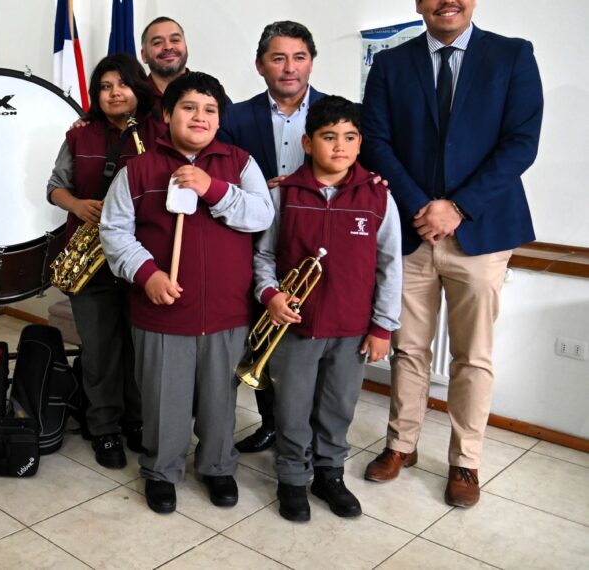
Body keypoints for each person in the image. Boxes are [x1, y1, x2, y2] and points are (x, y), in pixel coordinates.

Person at [360, 0, 543, 508]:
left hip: (482, 233)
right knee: (409, 349)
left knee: (473, 355)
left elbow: (521, 143)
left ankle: (466, 460)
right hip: (413, 231)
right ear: (419, 4)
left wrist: (458, 208)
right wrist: (423, 207)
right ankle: (401, 445)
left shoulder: (512, 55)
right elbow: (376, 142)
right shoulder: (391, 63)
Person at [100, 72, 273, 514]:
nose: (200, 116)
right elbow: (114, 232)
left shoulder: (240, 163)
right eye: (189, 107)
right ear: (166, 114)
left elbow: (261, 215)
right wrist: (147, 274)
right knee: (164, 399)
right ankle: (161, 470)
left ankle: (217, 465)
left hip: (227, 311)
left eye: (210, 109)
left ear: (220, 119)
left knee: (220, 399)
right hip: (162, 310)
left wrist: (210, 188)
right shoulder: (137, 170)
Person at [253, 96, 402, 522]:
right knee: (292, 407)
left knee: (339, 406)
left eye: (350, 137)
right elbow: (263, 256)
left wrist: (383, 326)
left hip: (351, 328)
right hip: (294, 328)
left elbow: (390, 265)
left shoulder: (378, 197)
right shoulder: (283, 194)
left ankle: (329, 474)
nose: (340, 146)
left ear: (361, 143)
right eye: (329, 136)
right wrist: (270, 294)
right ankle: (291, 477)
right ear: (307, 142)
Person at [218, 20, 327, 455]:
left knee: (313, 337)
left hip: (316, 245)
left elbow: (353, 168)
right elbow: (218, 175)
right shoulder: (234, 117)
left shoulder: (335, 113)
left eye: (299, 57)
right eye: (278, 58)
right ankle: (271, 423)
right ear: (260, 65)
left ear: (311, 63)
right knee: (262, 332)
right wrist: (260, 188)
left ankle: (311, 430)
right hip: (253, 241)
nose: (289, 68)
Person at [46, 53, 157, 468]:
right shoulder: (80, 134)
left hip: (142, 256)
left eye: (122, 84)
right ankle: (104, 428)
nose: (114, 93)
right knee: (98, 350)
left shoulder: (158, 131)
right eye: (105, 87)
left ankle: (137, 421)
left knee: (139, 347)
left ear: (138, 88)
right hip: (90, 257)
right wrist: (77, 205)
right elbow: (55, 186)